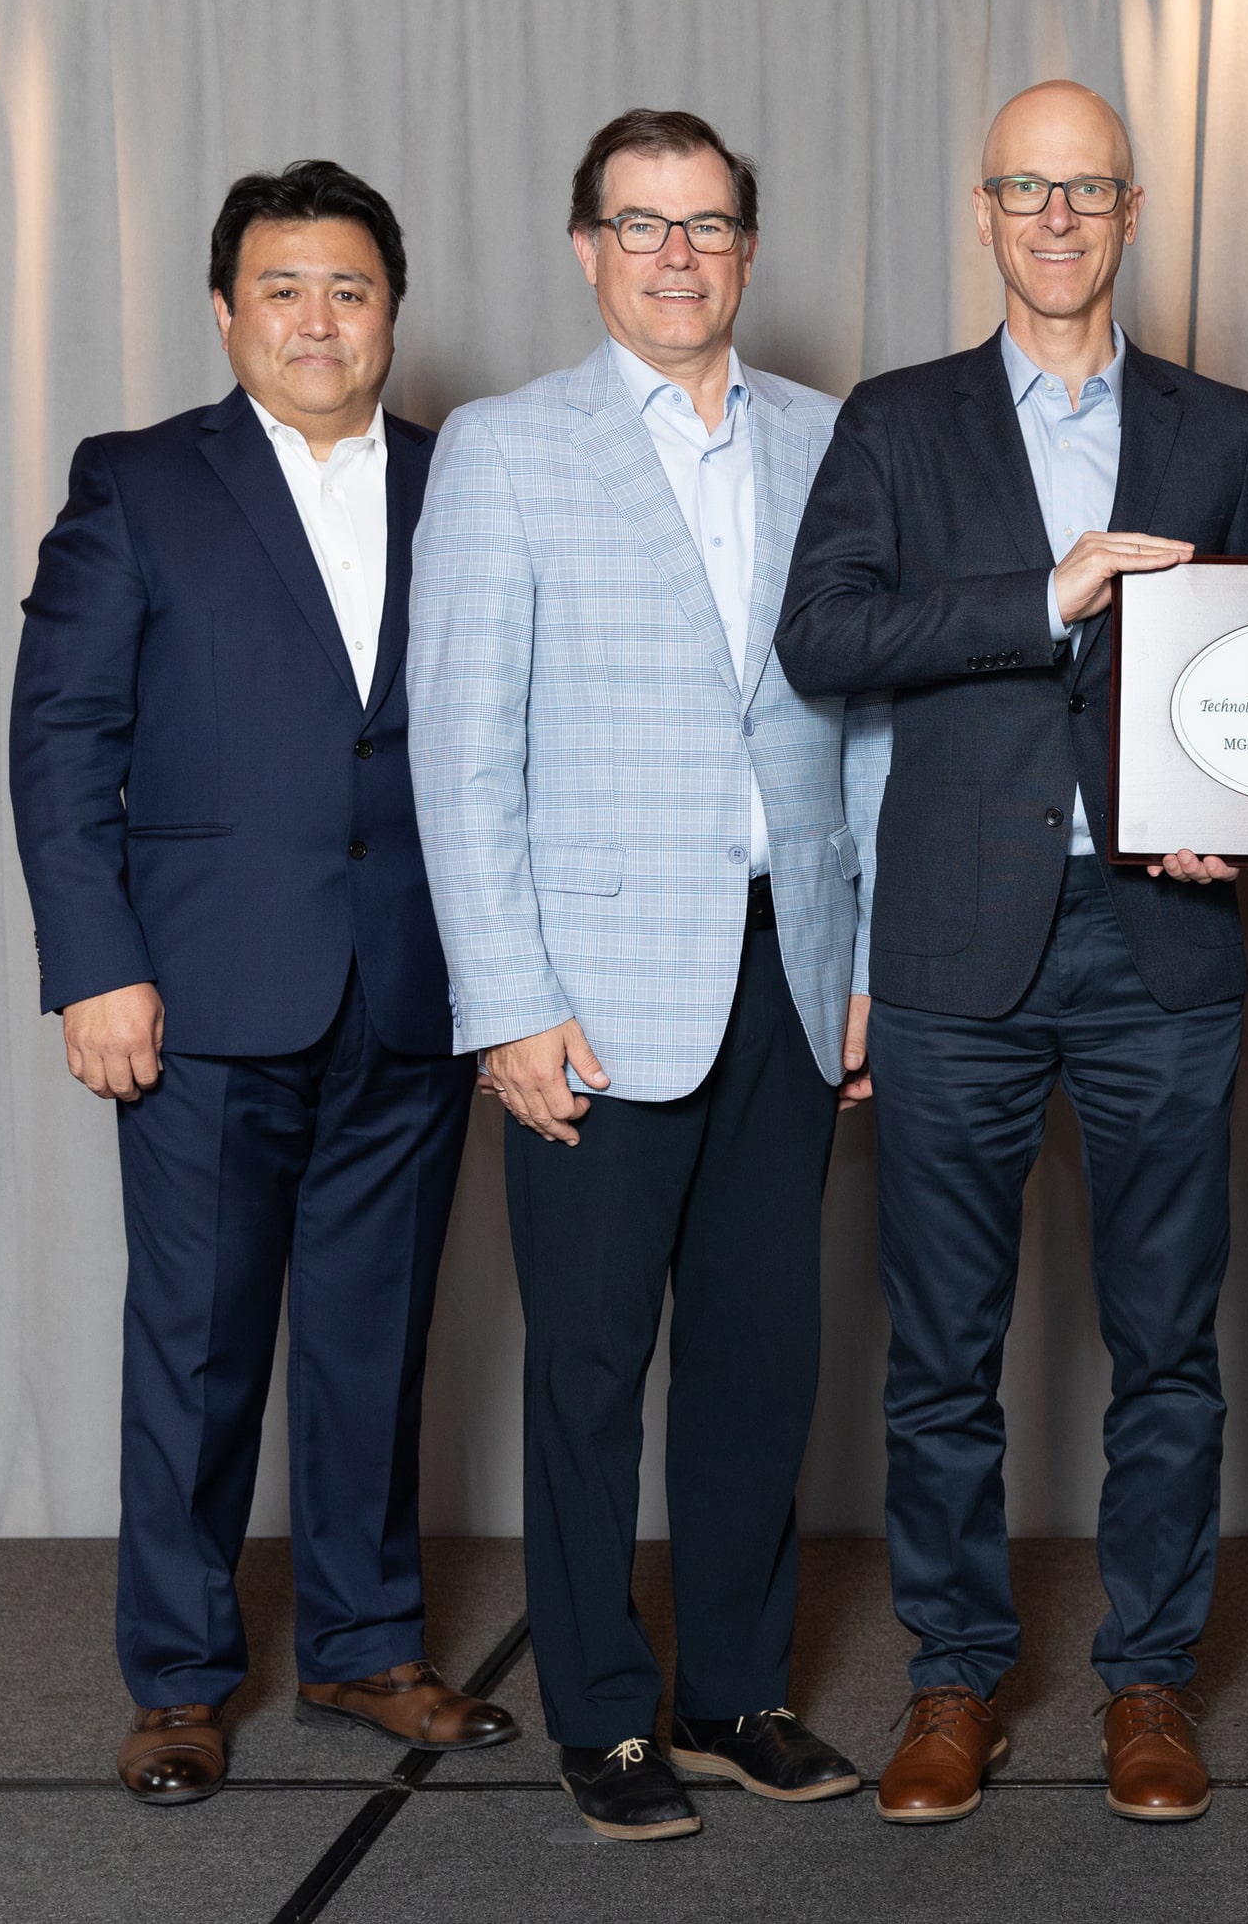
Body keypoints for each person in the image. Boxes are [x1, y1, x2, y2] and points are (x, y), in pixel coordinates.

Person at [778, 80, 1248, 1827]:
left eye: (1088, 191)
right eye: (1025, 190)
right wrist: (1039, 598)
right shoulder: (897, 422)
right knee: (943, 1348)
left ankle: (1149, 1679)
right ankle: (951, 1678)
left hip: (1165, 937)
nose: (1056, 219)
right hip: (952, 949)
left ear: (1132, 212)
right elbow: (821, 634)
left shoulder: (1225, 426)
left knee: (1169, 1343)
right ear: (984, 214)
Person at [407, 109, 889, 1842]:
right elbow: (462, 753)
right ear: (587, 245)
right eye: (640, 224)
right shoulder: (503, 449)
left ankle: (736, 1691)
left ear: (749, 248)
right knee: (592, 1363)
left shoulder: (841, 441)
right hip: (594, 988)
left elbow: (875, 722)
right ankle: (603, 1711)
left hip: (792, 962)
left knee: (765, 1355)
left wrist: (872, 959)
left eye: (706, 225)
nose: (676, 255)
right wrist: (507, 1003)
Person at [10, 161, 518, 1806]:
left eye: (352, 290)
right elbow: (62, 738)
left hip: (415, 990)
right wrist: (97, 967)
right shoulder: (139, 485)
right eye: (284, 288)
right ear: (227, 310)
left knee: (376, 1347)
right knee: (202, 1350)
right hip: (204, 995)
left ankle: (368, 1646)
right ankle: (176, 1677)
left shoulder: (473, 482)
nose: (319, 318)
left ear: (392, 313)